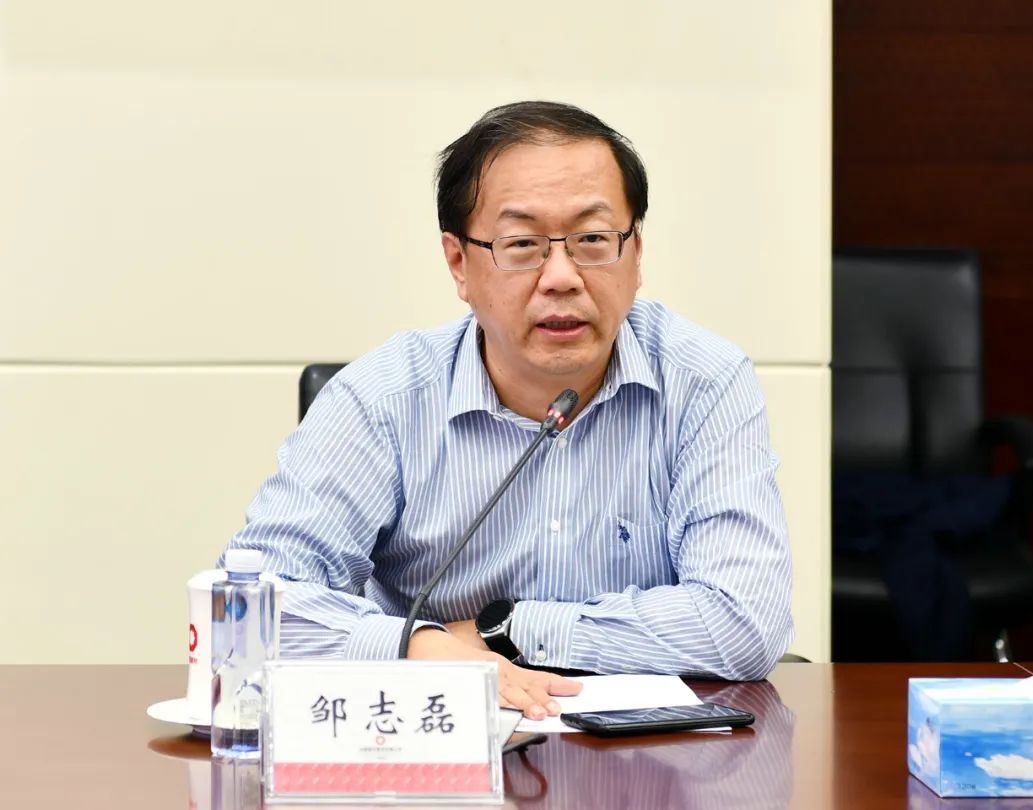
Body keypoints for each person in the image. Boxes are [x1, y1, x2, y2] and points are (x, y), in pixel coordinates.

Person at [224, 101, 794, 721]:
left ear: (636, 255)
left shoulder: (704, 382)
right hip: (438, 741)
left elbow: (745, 621)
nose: (561, 277)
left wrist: (506, 629)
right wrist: (420, 647)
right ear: (459, 264)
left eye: (593, 240)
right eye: (522, 245)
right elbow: (250, 607)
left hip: (647, 754)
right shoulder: (383, 398)